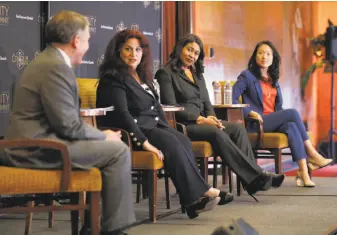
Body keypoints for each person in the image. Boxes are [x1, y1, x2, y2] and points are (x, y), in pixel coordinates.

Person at [0, 11, 135, 235]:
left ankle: (95, 228)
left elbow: (64, 122)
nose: (88, 46)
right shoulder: (55, 66)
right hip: (35, 149)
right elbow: (68, 126)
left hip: (38, 142)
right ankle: (113, 231)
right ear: (76, 40)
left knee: (110, 149)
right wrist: (104, 136)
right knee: (118, 151)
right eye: (88, 40)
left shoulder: (48, 60)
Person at [96, 29, 234, 219]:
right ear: (118, 51)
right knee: (172, 143)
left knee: (182, 141)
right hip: (133, 132)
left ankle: (192, 203)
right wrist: (145, 143)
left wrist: (169, 130)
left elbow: (157, 107)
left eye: (137, 50)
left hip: (153, 126)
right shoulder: (112, 78)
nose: (133, 54)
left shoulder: (142, 76)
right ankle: (204, 192)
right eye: (128, 49)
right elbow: (123, 115)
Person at [155, 34, 285, 202]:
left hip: (205, 121)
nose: (191, 55)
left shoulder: (197, 73)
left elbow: (207, 102)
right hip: (185, 124)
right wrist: (201, 119)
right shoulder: (165, 73)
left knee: (237, 128)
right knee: (216, 133)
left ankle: (253, 179)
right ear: (180, 48)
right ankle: (256, 177)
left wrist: (213, 118)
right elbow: (171, 106)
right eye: (189, 50)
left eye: (196, 53)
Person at [232, 40, 333, 187]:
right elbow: (232, 98)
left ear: (273, 58)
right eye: (260, 53)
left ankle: (304, 174)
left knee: (291, 126)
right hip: (256, 123)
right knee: (292, 113)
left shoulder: (273, 79)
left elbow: (277, 107)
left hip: (271, 121)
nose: (264, 56)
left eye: (268, 54)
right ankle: (312, 153)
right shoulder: (247, 76)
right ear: (255, 56)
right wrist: (249, 112)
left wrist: (281, 118)